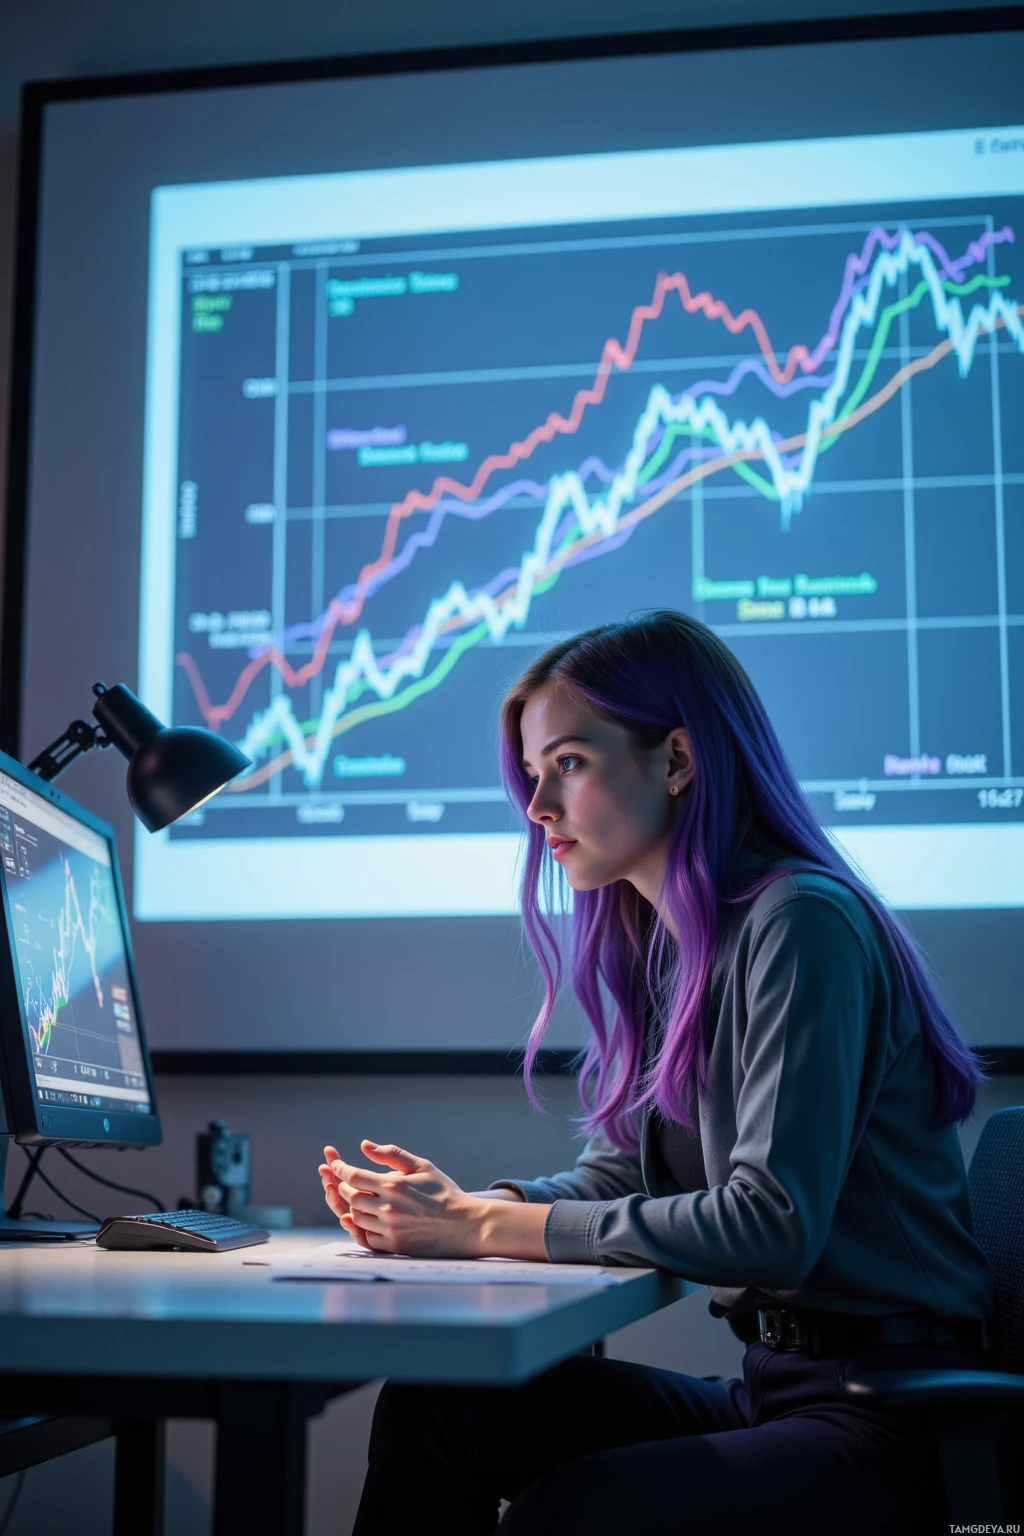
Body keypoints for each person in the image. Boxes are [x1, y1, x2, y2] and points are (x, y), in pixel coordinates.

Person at [319, 611, 993, 1535]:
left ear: (676, 761)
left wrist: (484, 1224)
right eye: (530, 774)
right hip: (776, 1390)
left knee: (570, 1514)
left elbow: (771, 1226)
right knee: (437, 1409)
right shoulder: (670, 947)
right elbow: (626, 1171)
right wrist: (466, 1204)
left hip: (890, 1417)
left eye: (568, 764)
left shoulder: (802, 922)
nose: (536, 808)